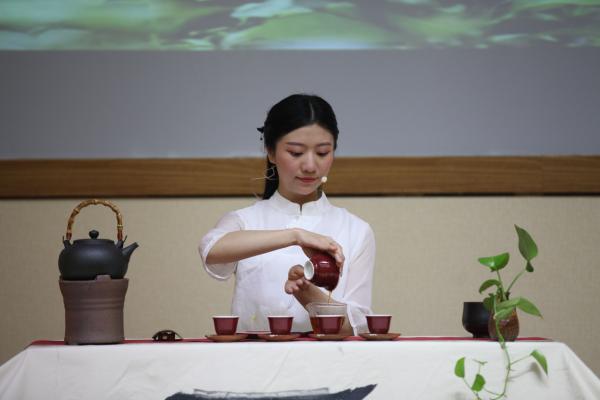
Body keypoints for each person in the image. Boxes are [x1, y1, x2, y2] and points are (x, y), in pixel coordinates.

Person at [199, 94, 375, 334]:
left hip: (327, 357)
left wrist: (309, 295)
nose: (310, 166)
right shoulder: (245, 220)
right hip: (251, 356)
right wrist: (295, 236)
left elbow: (358, 325)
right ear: (271, 152)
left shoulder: (356, 229)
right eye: (295, 152)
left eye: (322, 152)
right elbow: (211, 251)